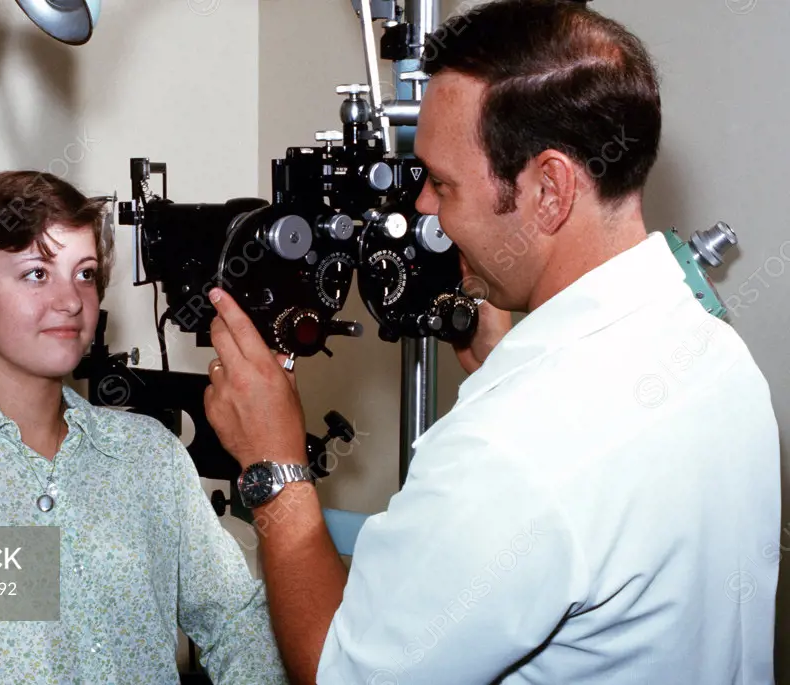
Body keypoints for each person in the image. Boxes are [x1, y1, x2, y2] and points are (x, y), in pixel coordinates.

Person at [201, 2, 780, 684]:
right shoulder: (715, 353)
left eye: (442, 184)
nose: (423, 210)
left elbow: (339, 671)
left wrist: (275, 470)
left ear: (548, 189)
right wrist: (503, 369)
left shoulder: (515, 442)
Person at [0, 171, 288, 684]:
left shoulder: (150, 454)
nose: (70, 300)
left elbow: (236, 621)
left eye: (84, 274)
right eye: (37, 273)